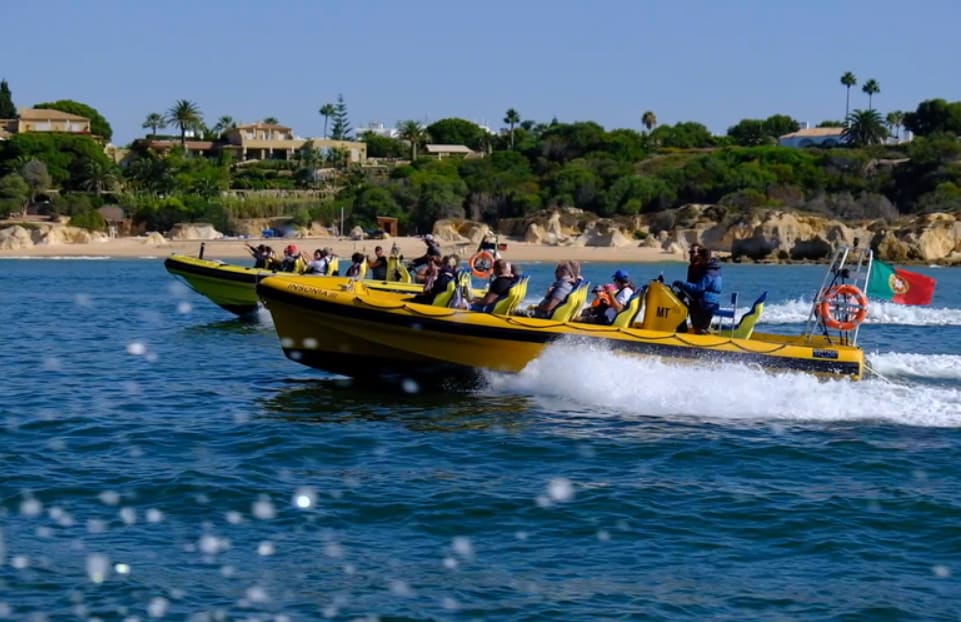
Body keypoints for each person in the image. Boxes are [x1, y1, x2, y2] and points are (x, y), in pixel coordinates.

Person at [673, 248, 722, 334]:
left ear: (703, 258)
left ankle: (691, 333)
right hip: (711, 302)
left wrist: (681, 284)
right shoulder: (715, 269)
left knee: (686, 307)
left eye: (700, 257)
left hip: (705, 303)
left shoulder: (709, 272)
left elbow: (699, 288)